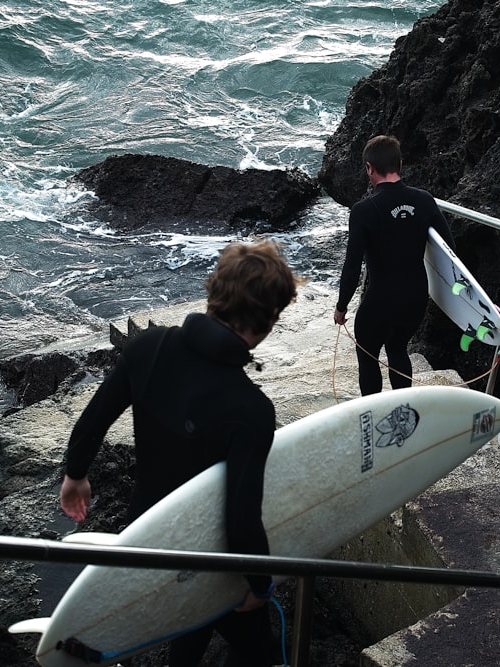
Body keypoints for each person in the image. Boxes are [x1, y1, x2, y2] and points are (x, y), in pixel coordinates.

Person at [58, 239, 301, 667]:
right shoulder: (252, 411)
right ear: (269, 322)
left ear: (213, 293)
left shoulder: (147, 346)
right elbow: (241, 518)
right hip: (209, 557)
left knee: (192, 624)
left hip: (145, 538)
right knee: (256, 650)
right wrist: (260, 585)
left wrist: (75, 475)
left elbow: (93, 421)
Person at [333, 134, 455, 395]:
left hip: (380, 300)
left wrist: (342, 306)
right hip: (414, 299)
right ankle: (402, 414)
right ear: (400, 164)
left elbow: (352, 267)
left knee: (368, 356)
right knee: (398, 350)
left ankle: (374, 418)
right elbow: (449, 251)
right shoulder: (424, 200)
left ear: (369, 168)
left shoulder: (364, 210)